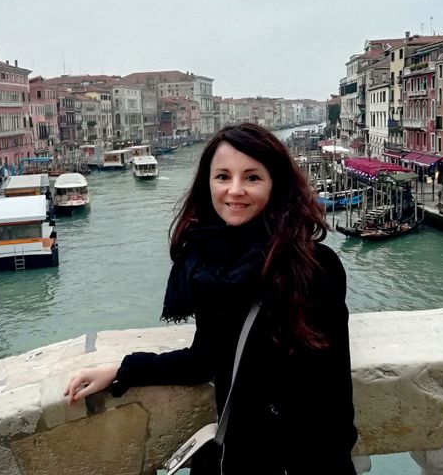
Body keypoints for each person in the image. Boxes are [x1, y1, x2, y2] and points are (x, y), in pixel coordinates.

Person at [65, 123, 357, 474]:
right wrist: (122, 370)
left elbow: (334, 390)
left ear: (275, 184)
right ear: (208, 183)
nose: (235, 191)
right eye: (222, 177)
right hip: (240, 459)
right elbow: (206, 357)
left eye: (252, 178)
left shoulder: (314, 267)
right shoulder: (207, 266)